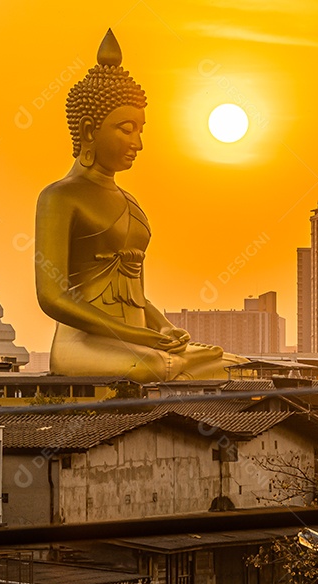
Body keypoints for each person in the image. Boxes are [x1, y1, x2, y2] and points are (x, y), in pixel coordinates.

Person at [35, 30, 244, 382]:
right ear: (89, 130)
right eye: (126, 129)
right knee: (156, 366)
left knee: (235, 366)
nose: (138, 143)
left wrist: (164, 328)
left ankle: (173, 360)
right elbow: (52, 297)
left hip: (140, 342)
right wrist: (135, 336)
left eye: (141, 130)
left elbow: (137, 296)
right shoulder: (60, 197)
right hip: (85, 343)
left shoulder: (130, 202)